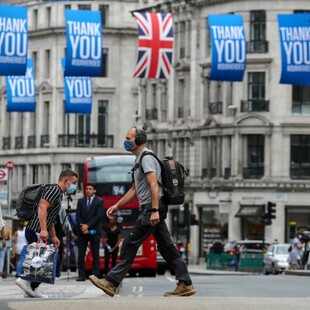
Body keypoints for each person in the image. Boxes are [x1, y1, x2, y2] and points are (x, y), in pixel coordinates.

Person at [89, 127, 196, 297]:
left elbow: (154, 184)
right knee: (167, 247)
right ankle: (185, 283)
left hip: (151, 208)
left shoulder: (146, 158)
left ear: (138, 140)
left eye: (128, 138)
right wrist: (117, 206)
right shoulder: (139, 160)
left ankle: (111, 282)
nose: (125, 141)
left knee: (130, 243)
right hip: (154, 208)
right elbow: (134, 190)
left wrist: (153, 210)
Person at [15, 168, 78, 298]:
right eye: (74, 182)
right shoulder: (54, 190)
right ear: (66, 181)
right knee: (49, 258)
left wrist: (54, 236)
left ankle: (31, 287)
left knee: (44, 258)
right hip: (36, 230)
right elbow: (42, 207)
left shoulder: (58, 193)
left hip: (39, 230)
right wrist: (43, 230)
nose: (74, 186)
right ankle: (27, 282)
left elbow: (51, 218)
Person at [76, 183, 104, 281]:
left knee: (95, 254)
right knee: (81, 254)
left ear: (94, 190)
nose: (88, 190)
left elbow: (98, 216)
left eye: (90, 189)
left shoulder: (99, 201)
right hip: (82, 232)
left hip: (94, 231)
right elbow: (77, 215)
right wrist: (82, 226)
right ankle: (81, 275)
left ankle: (95, 275)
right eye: (87, 189)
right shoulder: (80, 201)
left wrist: (87, 226)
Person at [0, 212, 6, 279]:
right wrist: (4, 239)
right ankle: (0, 272)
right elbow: (1, 226)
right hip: (1, 241)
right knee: (1, 258)